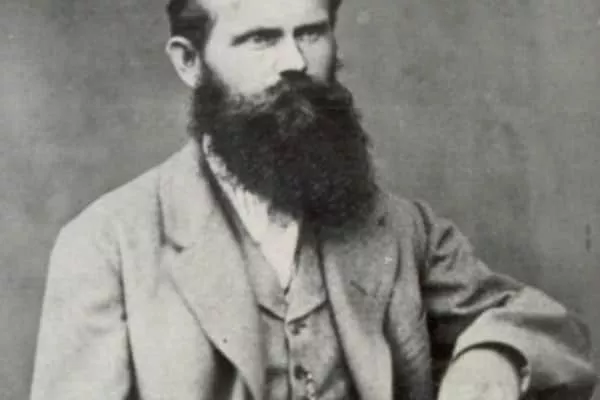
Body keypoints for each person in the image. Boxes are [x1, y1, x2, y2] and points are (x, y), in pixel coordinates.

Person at [30, 0, 596, 399]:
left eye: (311, 32)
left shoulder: (401, 228)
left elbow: (544, 326)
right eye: (260, 38)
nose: (295, 63)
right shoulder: (106, 245)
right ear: (189, 62)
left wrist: (494, 356)